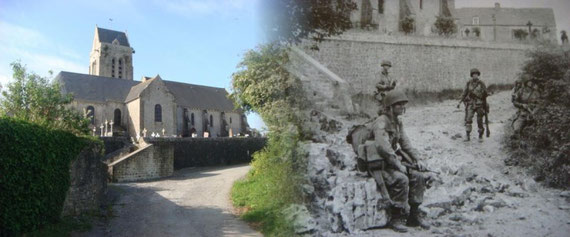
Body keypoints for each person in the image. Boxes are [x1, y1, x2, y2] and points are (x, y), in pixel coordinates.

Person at [370, 90, 429, 232]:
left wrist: (417, 159)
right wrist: (398, 165)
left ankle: (414, 215)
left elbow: (405, 142)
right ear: (389, 107)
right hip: (380, 164)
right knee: (401, 179)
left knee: (418, 175)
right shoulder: (381, 122)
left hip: (392, 162)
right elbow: (383, 147)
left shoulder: (397, 121)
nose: (402, 107)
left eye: (403, 104)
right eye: (398, 105)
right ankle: (396, 218)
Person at [457, 68, 488, 141]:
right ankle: (467, 135)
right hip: (470, 103)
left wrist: (483, 95)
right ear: (471, 75)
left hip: (479, 104)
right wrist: (460, 102)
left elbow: (486, 93)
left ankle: (480, 136)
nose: (475, 76)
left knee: (479, 120)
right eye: (473, 74)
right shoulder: (468, 83)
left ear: (478, 75)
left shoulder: (481, 83)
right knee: (468, 119)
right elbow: (464, 93)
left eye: (476, 74)